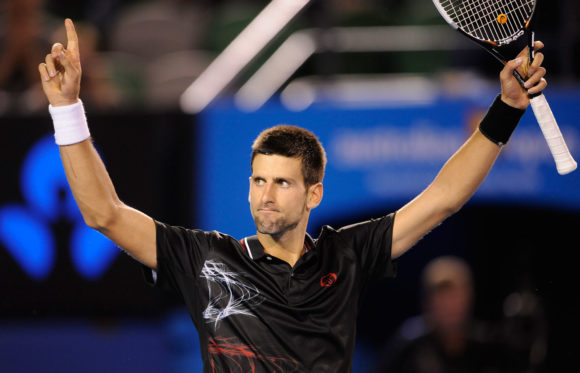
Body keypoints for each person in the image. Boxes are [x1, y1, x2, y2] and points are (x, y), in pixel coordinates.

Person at [38, 19, 547, 372]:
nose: (266, 195)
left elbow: (443, 198)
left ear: (314, 195)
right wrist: (67, 109)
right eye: (259, 180)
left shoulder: (347, 255)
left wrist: (505, 108)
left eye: (282, 183)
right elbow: (102, 213)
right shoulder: (204, 258)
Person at [374, 256, 515, 373]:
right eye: (442, 300)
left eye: (455, 298)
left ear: (469, 299)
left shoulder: (489, 346)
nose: (449, 307)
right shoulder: (407, 347)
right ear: (427, 304)